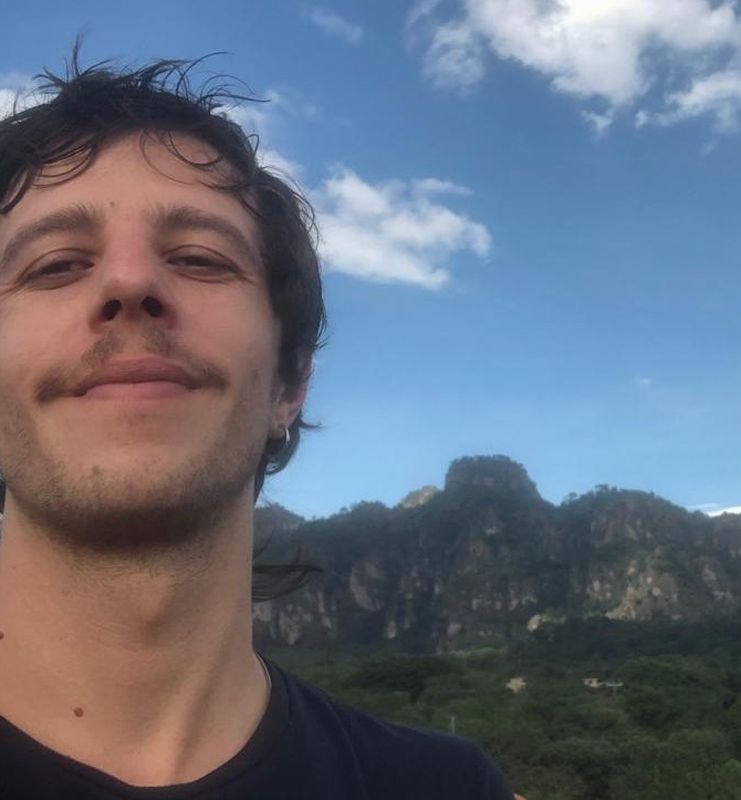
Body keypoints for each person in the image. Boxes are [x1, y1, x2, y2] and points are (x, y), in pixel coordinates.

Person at [0, 55, 514, 798]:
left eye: (199, 258)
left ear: (289, 384)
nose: (131, 282)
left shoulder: (443, 786)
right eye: (54, 265)